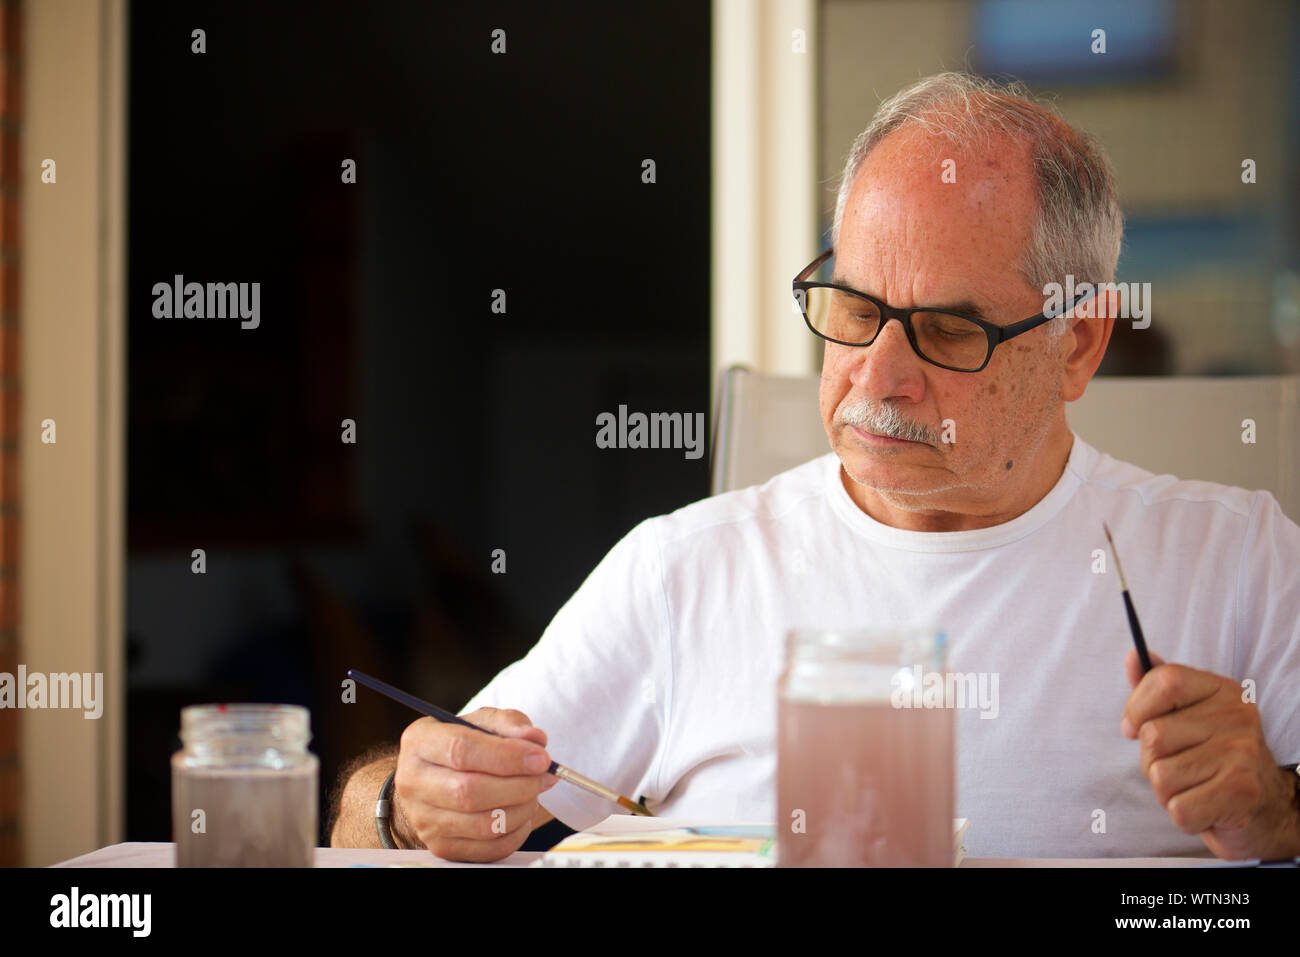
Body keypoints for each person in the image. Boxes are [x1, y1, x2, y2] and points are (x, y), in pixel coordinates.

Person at [328, 72, 1300, 862]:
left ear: (1078, 347)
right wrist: (405, 810)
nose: (878, 376)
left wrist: (1279, 813)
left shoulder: (1237, 559)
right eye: (852, 307)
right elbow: (380, 820)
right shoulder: (683, 568)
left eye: (948, 330)